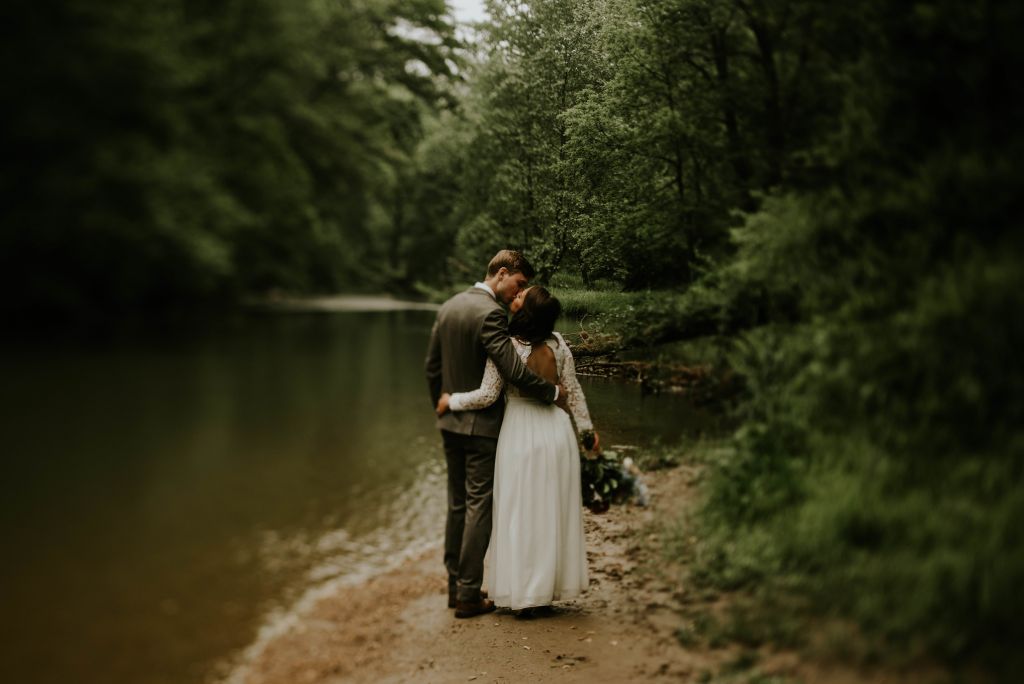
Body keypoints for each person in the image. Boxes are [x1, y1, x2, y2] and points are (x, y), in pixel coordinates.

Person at [436, 286, 597, 616]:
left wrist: (452, 400)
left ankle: (524, 593)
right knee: (551, 513)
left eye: (523, 296)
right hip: (556, 434)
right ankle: (544, 592)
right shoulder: (559, 343)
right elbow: (574, 392)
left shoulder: (508, 346)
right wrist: (586, 432)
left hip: (519, 434)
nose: (516, 297)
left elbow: (487, 394)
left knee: (519, 513)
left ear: (527, 312)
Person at [425, 250, 564, 619]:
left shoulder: (449, 306)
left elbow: (432, 367)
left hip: (450, 423)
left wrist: (441, 406)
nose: (517, 292)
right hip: (481, 428)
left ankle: (455, 588)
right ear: (502, 273)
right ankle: (469, 593)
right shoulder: (491, 314)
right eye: (519, 283)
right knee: (478, 506)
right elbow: (513, 371)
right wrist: (552, 392)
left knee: (457, 504)